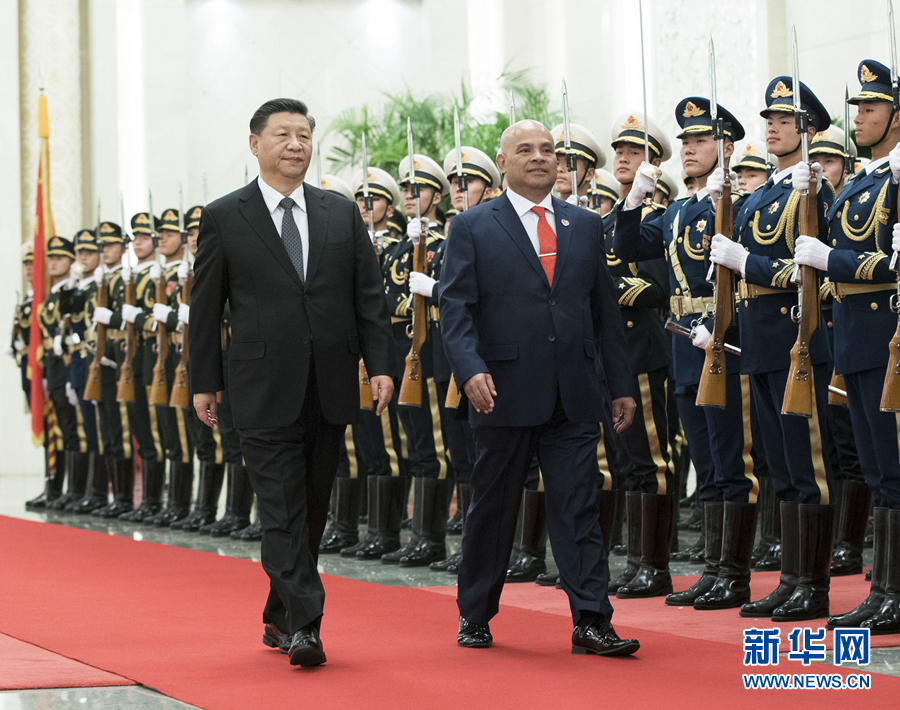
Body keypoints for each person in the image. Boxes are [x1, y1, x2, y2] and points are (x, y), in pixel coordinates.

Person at [190, 98, 395, 667]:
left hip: (329, 383)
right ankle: (306, 625)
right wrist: (204, 381)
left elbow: (369, 298)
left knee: (310, 508)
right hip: (259, 385)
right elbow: (205, 308)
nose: (295, 145)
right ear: (255, 144)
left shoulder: (339, 213)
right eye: (282, 134)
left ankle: (278, 615)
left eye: (303, 135)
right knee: (281, 509)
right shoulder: (225, 215)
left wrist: (381, 365)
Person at [439, 119, 639, 656]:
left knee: (578, 507)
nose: (538, 157)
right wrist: (469, 369)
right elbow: (455, 309)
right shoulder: (473, 226)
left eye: (547, 150)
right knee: (494, 509)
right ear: (503, 162)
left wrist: (621, 384)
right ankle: (475, 613)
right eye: (525, 149)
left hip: (574, 392)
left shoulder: (584, 224)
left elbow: (603, 311)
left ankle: (592, 620)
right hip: (501, 390)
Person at [711, 76, 835, 622]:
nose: (773, 128)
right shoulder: (762, 194)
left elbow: (810, 269)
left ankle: (814, 585)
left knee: (808, 466)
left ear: (810, 130)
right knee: (780, 466)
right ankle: (790, 579)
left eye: (785, 120)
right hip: (759, 340)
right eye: (771, 120)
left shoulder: (812, 189)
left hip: (795, 338)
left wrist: (747, 264)